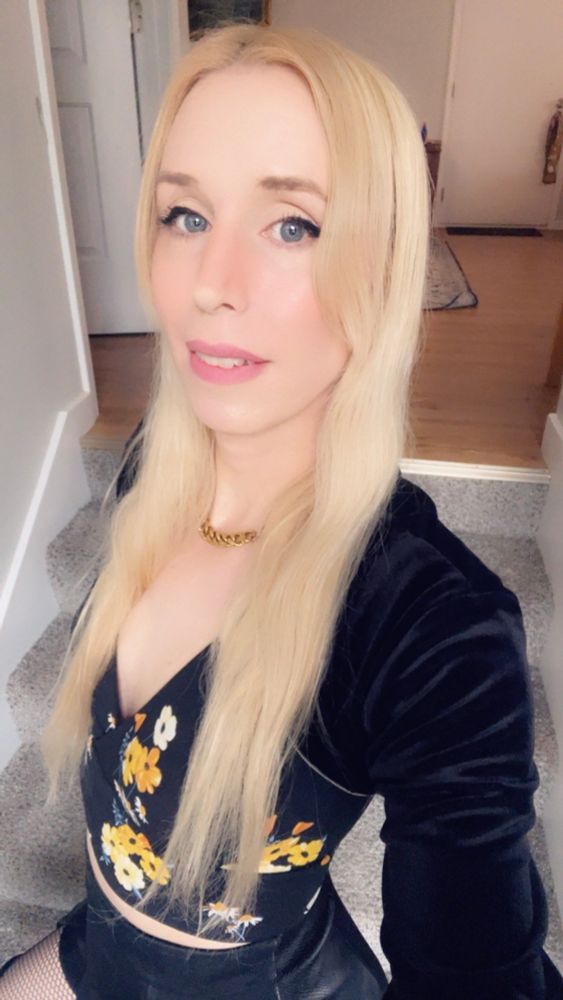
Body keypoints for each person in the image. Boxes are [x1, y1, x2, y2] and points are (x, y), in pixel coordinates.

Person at [1, 19, 562, 1000]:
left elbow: (481, 967)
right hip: (99, 944)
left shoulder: (431, 624)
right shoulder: (156, 468)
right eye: (184, 216)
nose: (210, 285)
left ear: (380, 266)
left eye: (292, 225)